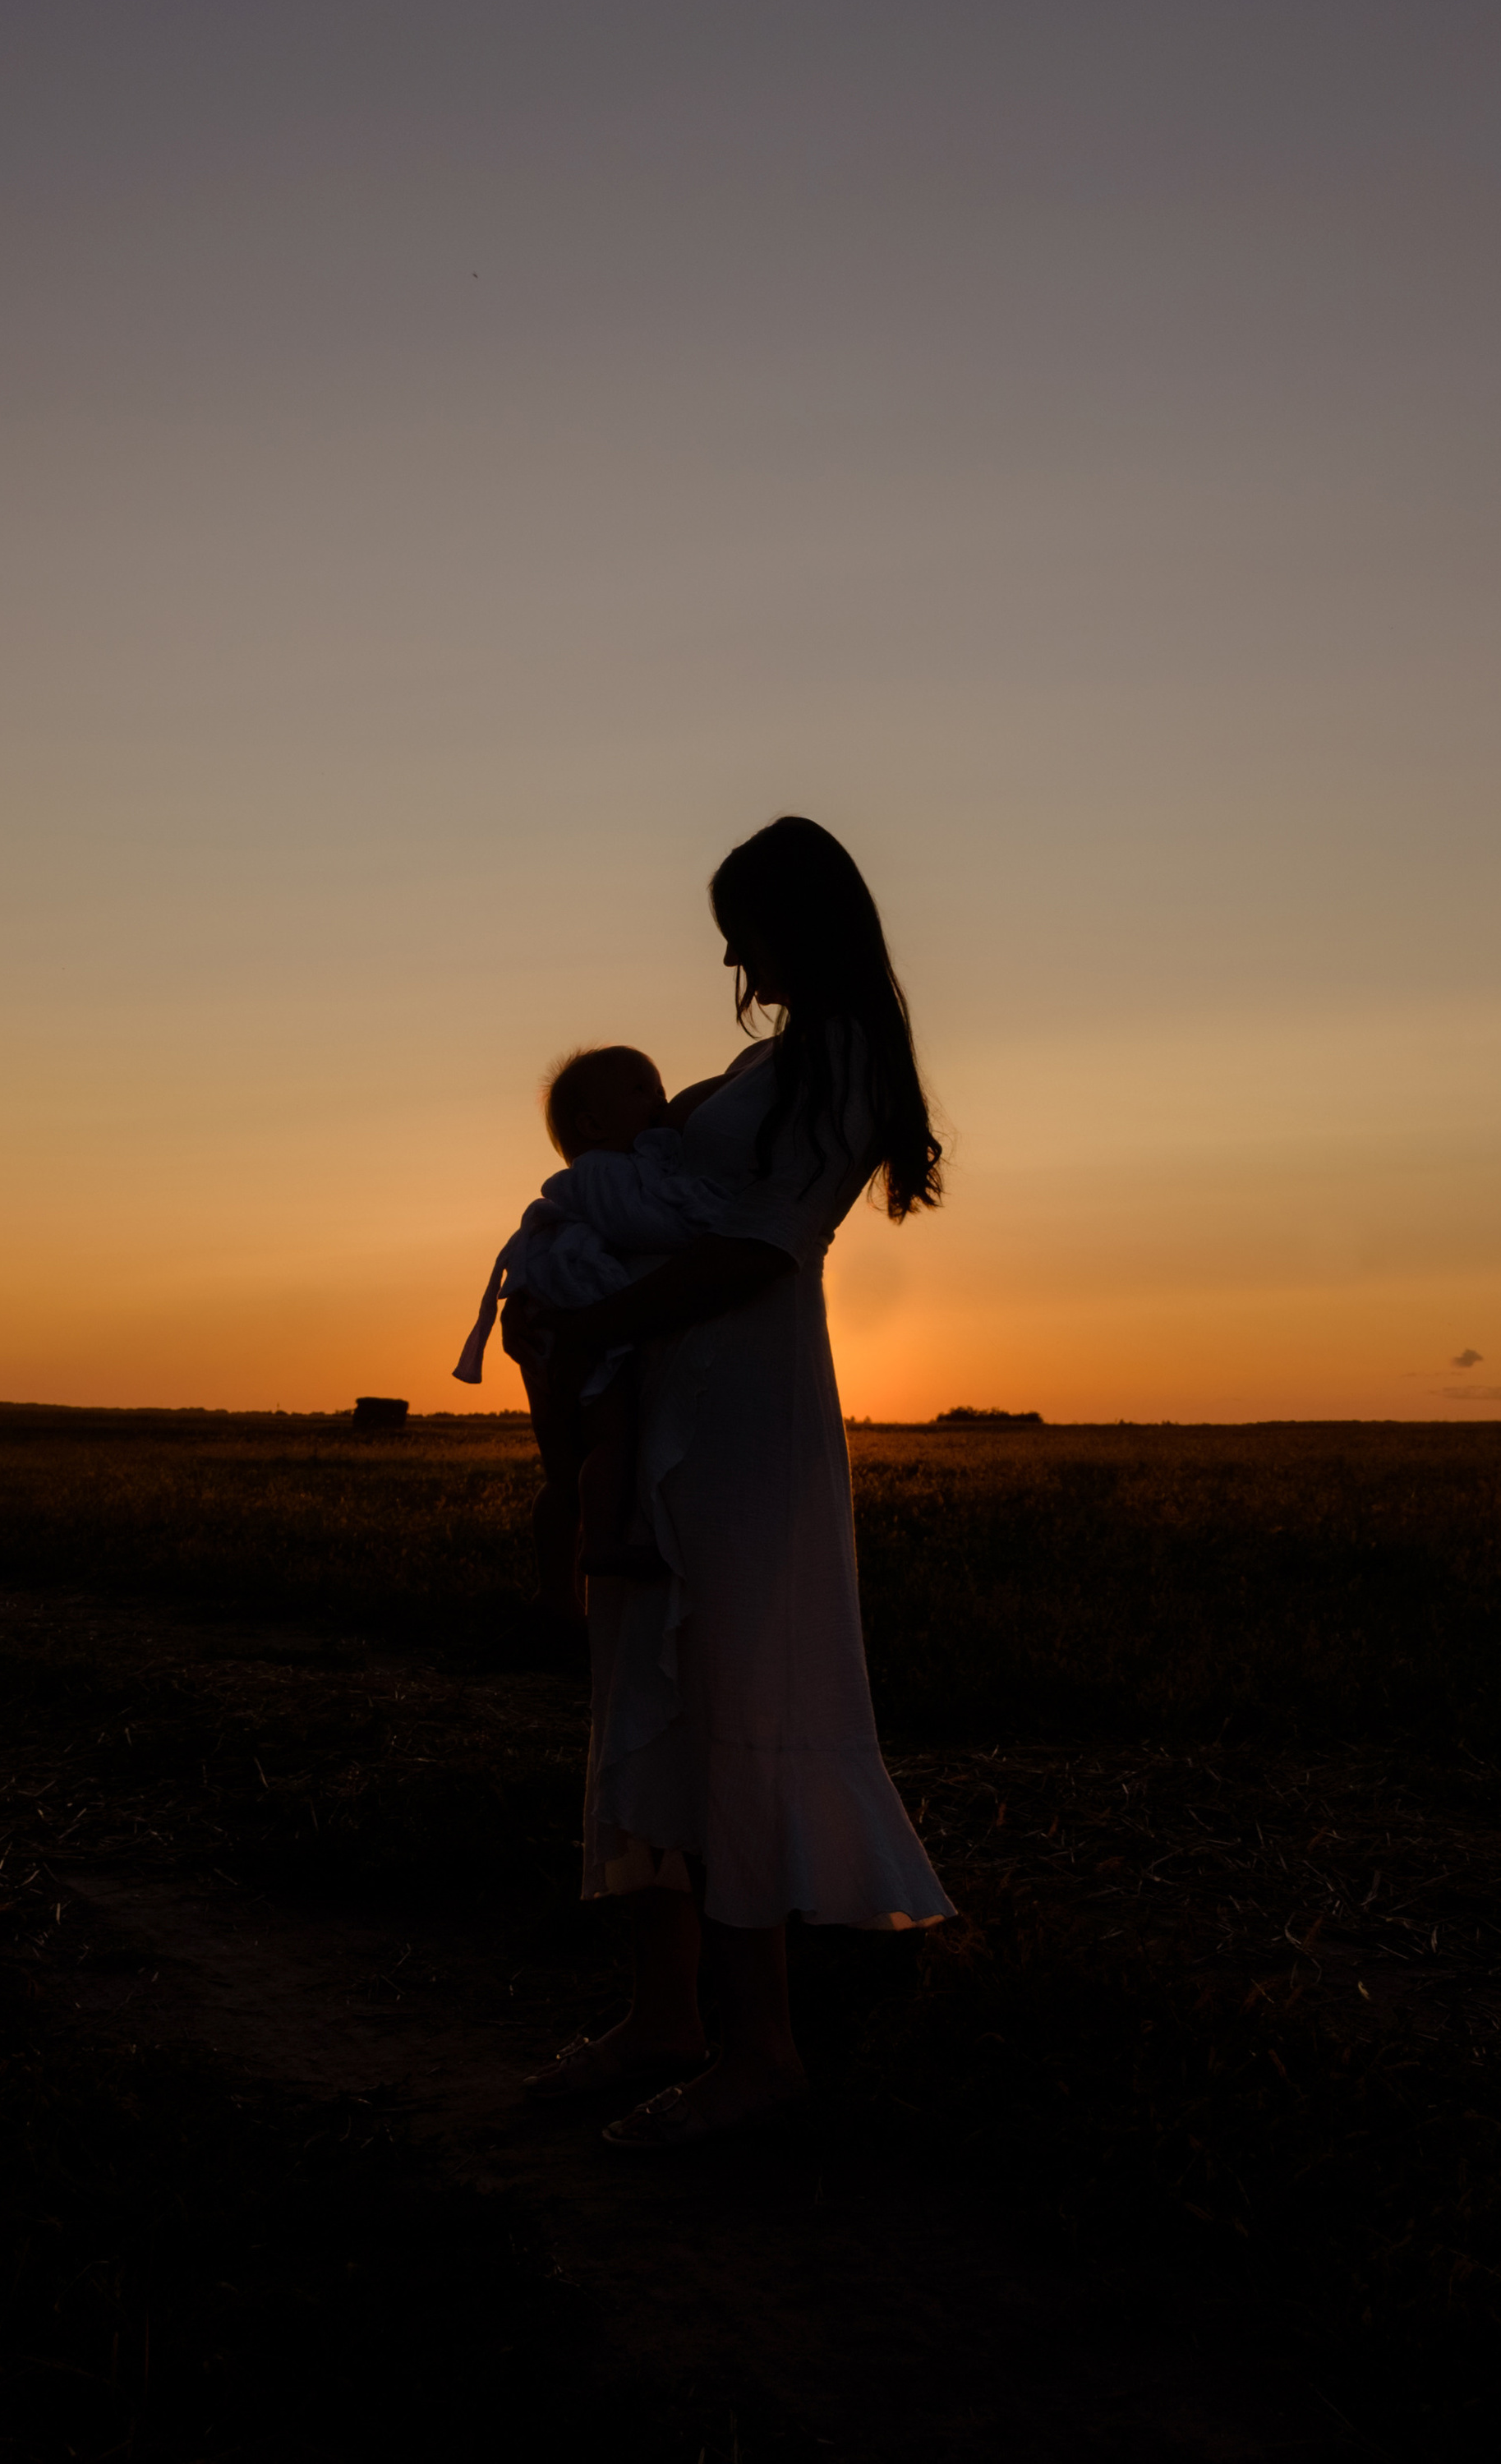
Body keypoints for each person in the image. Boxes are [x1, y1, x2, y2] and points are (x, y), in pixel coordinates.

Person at [506, 816, 955, 2149]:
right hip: (667, 1408)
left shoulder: (845, 1061)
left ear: (796, 923)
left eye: (738, 925)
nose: (725, 953)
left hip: (749, 1417)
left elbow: (762, 1250)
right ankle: (666, 2017)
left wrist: (594, 1318)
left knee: (730, 1703)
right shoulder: (772, 1064)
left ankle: (763, 2051)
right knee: (648, 1693)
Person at [454, 1044, 725, 1601]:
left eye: (659, 1086)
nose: (660, 1099)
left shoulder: (596, 1173)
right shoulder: (605, 1172)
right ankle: (599, 1544)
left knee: (562, 1470)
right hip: (573, 1306)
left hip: (546, 1311)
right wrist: (705, 1226)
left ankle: (555, 1598)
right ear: (592, 1124)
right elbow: (639, 1225)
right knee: (612, 1436)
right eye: (642, 1090)